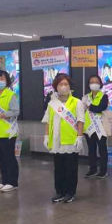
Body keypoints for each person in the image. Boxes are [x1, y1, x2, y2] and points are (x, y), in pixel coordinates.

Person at [43, 74, 84, 203]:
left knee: (71, 168)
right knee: (58, 167)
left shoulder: (77, 102)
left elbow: (80, 121)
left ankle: (70, 192)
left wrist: (79, 137)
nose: (63, 87)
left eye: (66, 84)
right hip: (56, 140)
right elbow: (48, 121)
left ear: (70, 86)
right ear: (56, 86)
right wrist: (46, 136)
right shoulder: (52, 103)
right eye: (60, 84)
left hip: (70, 140)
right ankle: (59, 191)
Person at [83, 75, 110, 179]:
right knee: (91, 149)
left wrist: (89, 106)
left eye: (96, 81)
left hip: (100, 127)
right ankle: (92, 169)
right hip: (88, 127)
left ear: (100, 83)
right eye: (91, 81)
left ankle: (103, 171)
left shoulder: (104, 96)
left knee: (102, 149)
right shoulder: (86, 97)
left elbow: (101, 108)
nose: (94, 83)